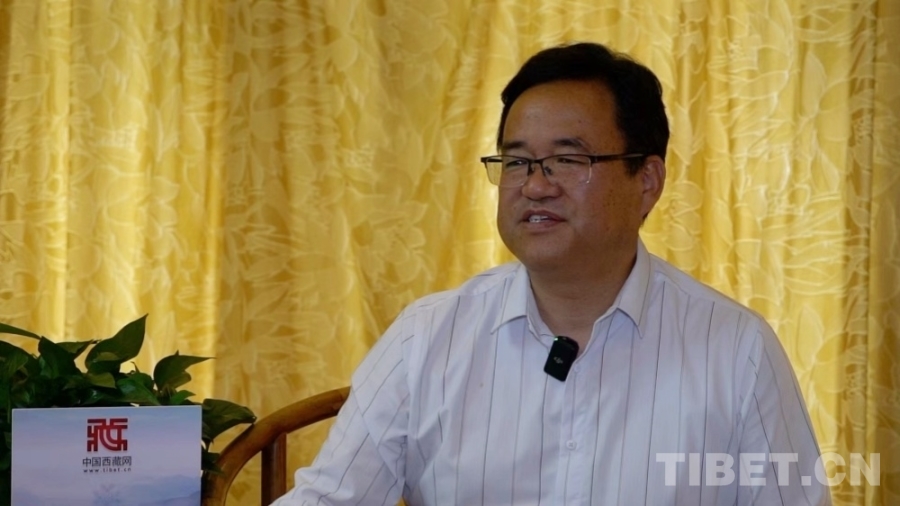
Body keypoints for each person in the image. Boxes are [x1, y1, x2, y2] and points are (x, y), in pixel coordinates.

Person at [272, 42, 831, 505]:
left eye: (567, 159)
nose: (535, 185)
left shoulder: (735, 349)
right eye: (517, 161)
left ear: (647, 181)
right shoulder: (426, 338)